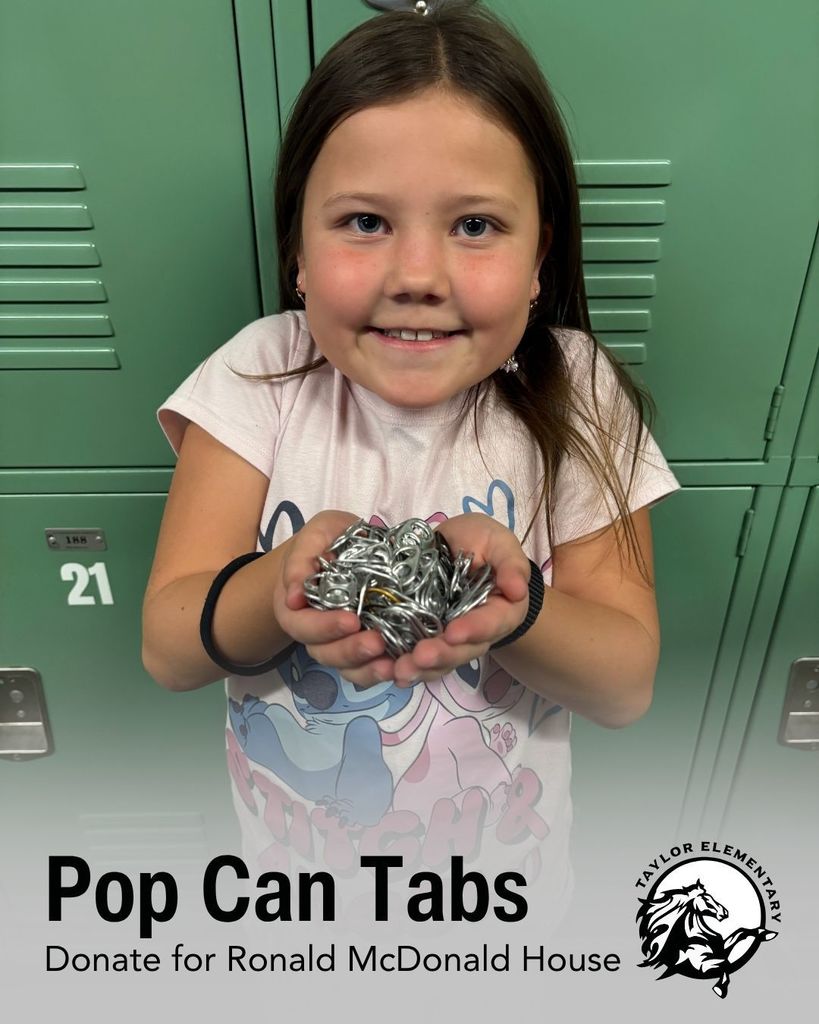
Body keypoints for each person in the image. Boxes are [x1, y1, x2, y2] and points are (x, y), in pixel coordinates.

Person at [142, 0, 680, 929]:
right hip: (292, 886)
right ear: (298, 254)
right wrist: (274, 591)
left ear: (539, 254)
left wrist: (520, 612)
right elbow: (166, 646)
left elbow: (625, 683)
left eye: (475, 226)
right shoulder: (255, 376)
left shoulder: (579, 393)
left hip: (504, 892)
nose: (418, 273)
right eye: (362, 221)